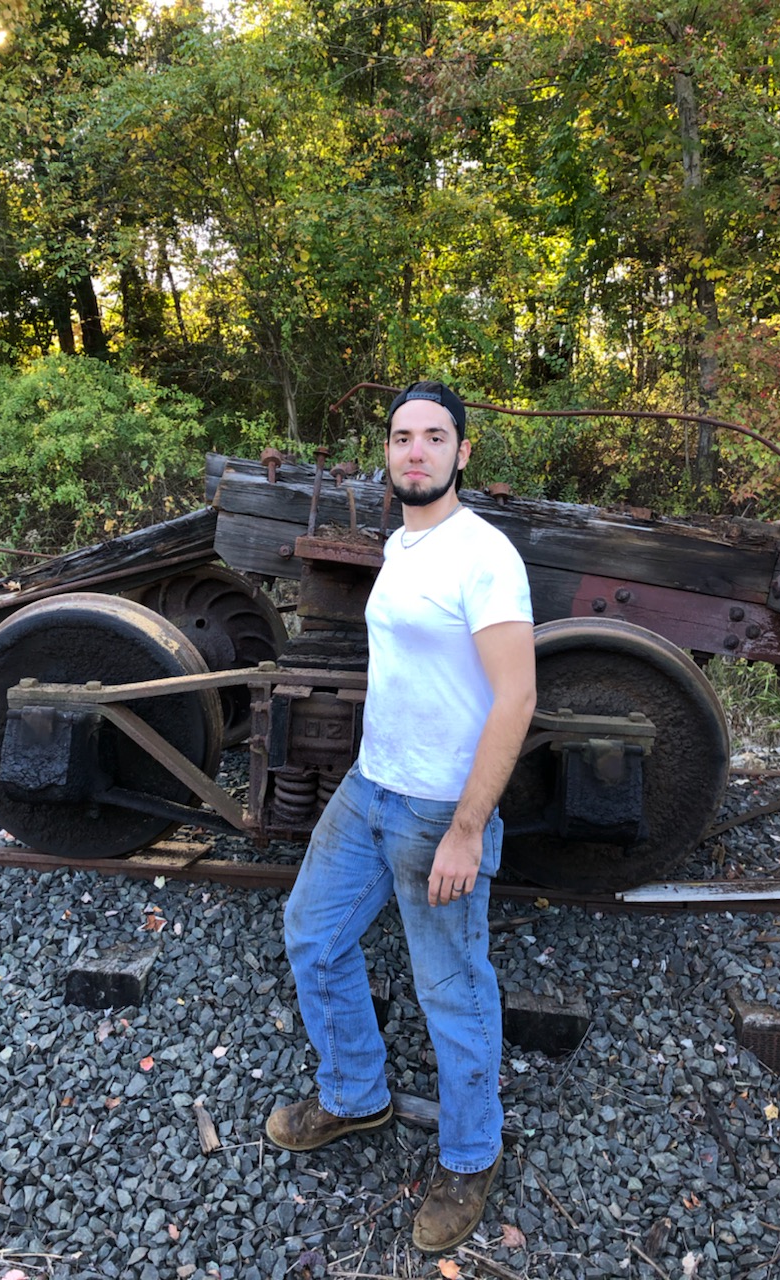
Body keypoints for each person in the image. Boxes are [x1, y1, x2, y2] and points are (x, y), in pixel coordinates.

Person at [266, 380, 537, 1253]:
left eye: (434, 436)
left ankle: (470, 1156)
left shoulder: (483, 554)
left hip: (437, 812)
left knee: (451, 989)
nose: (414, 449)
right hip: (371, 788)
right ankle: (356, 1095)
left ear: (464, 454)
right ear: (388, 454)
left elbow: (517, 696)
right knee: (313, 933)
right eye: (400, 436)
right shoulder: (400, 544)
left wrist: (466, 827)